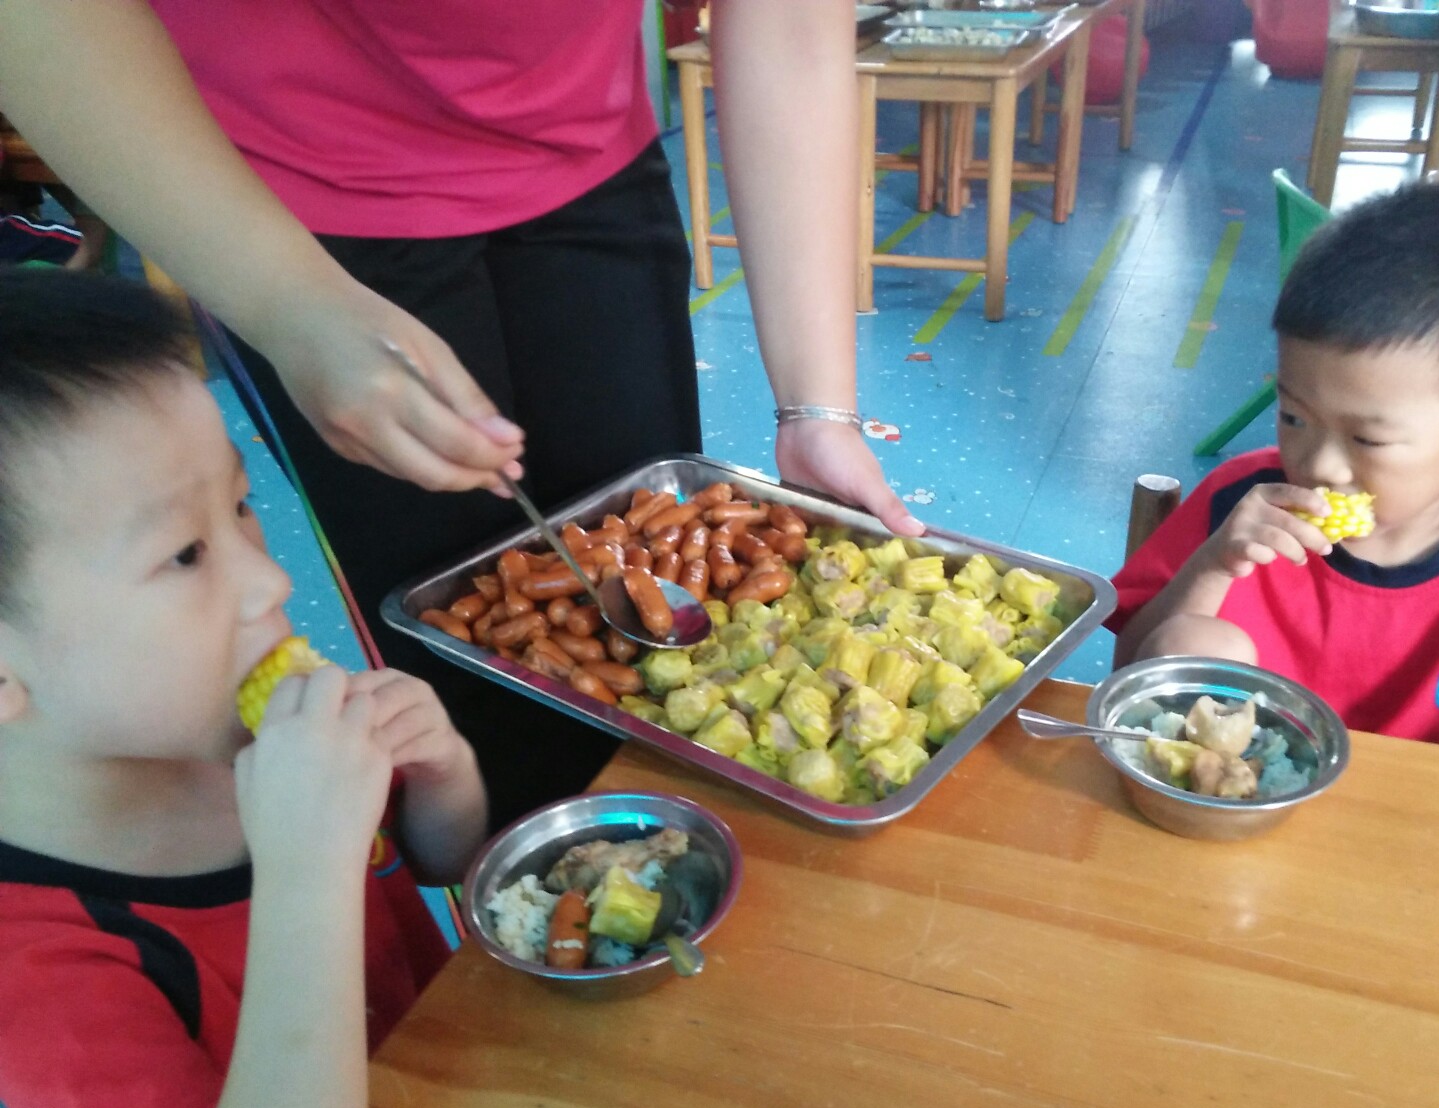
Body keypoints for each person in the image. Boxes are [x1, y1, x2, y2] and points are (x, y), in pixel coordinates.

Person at [0, 1, 923, 830]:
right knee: (461, 667)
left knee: (645, 569)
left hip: (592, 157)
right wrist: (290, 305)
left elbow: (791, 24)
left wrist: (818, 411)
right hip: (297, 190)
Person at [0, 270, 489, 1108]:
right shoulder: (40, 966)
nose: (271, 583)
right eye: (184, 555)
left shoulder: (242, 724)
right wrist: (306, 872)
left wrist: (444, 770)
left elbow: (442, 859)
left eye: (239, 507)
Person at [1108, 182, 1439, 759]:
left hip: (1417, 804)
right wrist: (1213, 566)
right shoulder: (1241, 503)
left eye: (1368, 438)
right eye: (1294, 417)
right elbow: (1127, 676)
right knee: (1195, 636)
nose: (1318, 465)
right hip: (1231, 792)